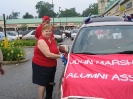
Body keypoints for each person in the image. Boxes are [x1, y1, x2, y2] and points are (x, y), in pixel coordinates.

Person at [32, 24, 66, 99]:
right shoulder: (41, 40)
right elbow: (47, 54)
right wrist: (60, 56)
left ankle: (49, 97)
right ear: (42, 32)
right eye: (46, 31)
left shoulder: (51, 38)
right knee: (43, 83)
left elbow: (55, 51)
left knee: (50, 82)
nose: (48, 32)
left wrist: (62, 54)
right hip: (41, 65)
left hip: (52, 64)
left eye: (50, 31)